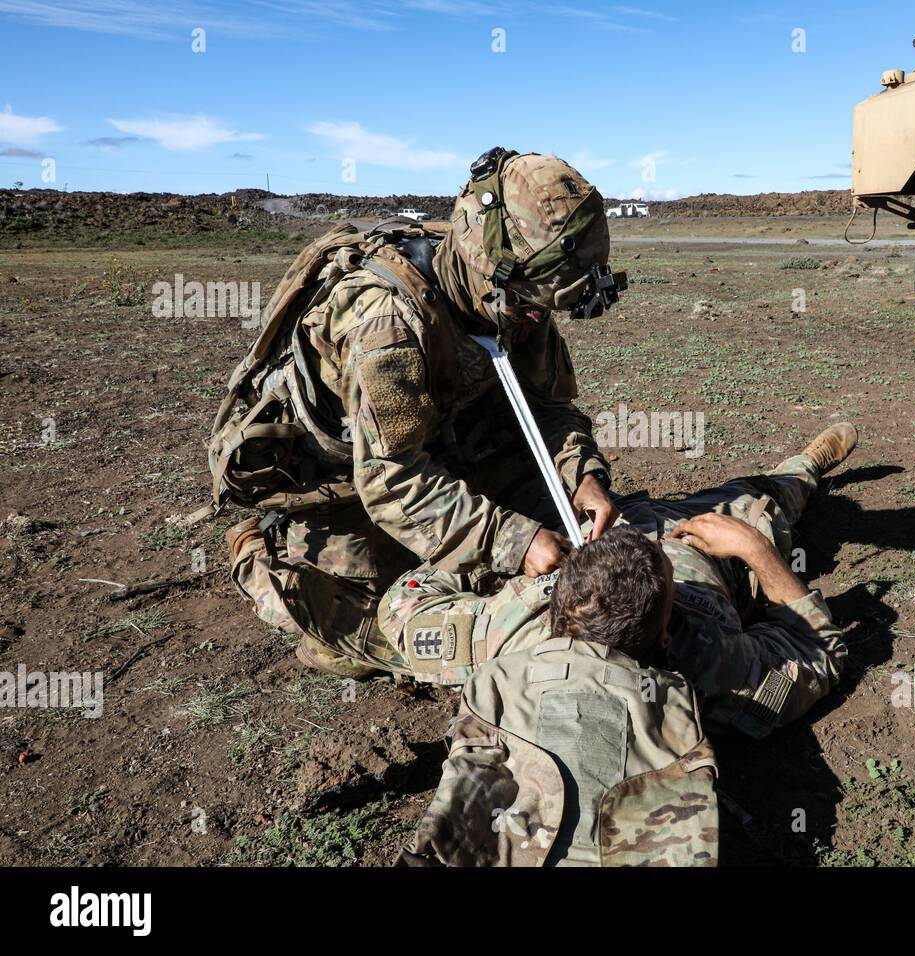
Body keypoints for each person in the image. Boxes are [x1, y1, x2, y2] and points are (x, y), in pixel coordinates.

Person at [220, 149, 622, 679]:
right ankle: (259, 555)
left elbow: (546, 406)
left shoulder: (520, 296)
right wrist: (511, 540)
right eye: (530, 305)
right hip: (348, 483)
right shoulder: (388, 325)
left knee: (564, 541)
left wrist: (582, 474)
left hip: (443, 446)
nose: (537, 319)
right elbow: (390, 478)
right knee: (380, 634)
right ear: (490, 270)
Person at [368, 423, 857, 739]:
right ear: (667, 636)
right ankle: (804, 468)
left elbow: (400, 608)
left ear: (558, 599)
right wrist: (755, 550)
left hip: (612, 520)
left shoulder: (501, 631)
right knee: (766, 497)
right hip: (716, 545)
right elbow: (820, 654)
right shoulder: (709, 663)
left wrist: (506, 554)